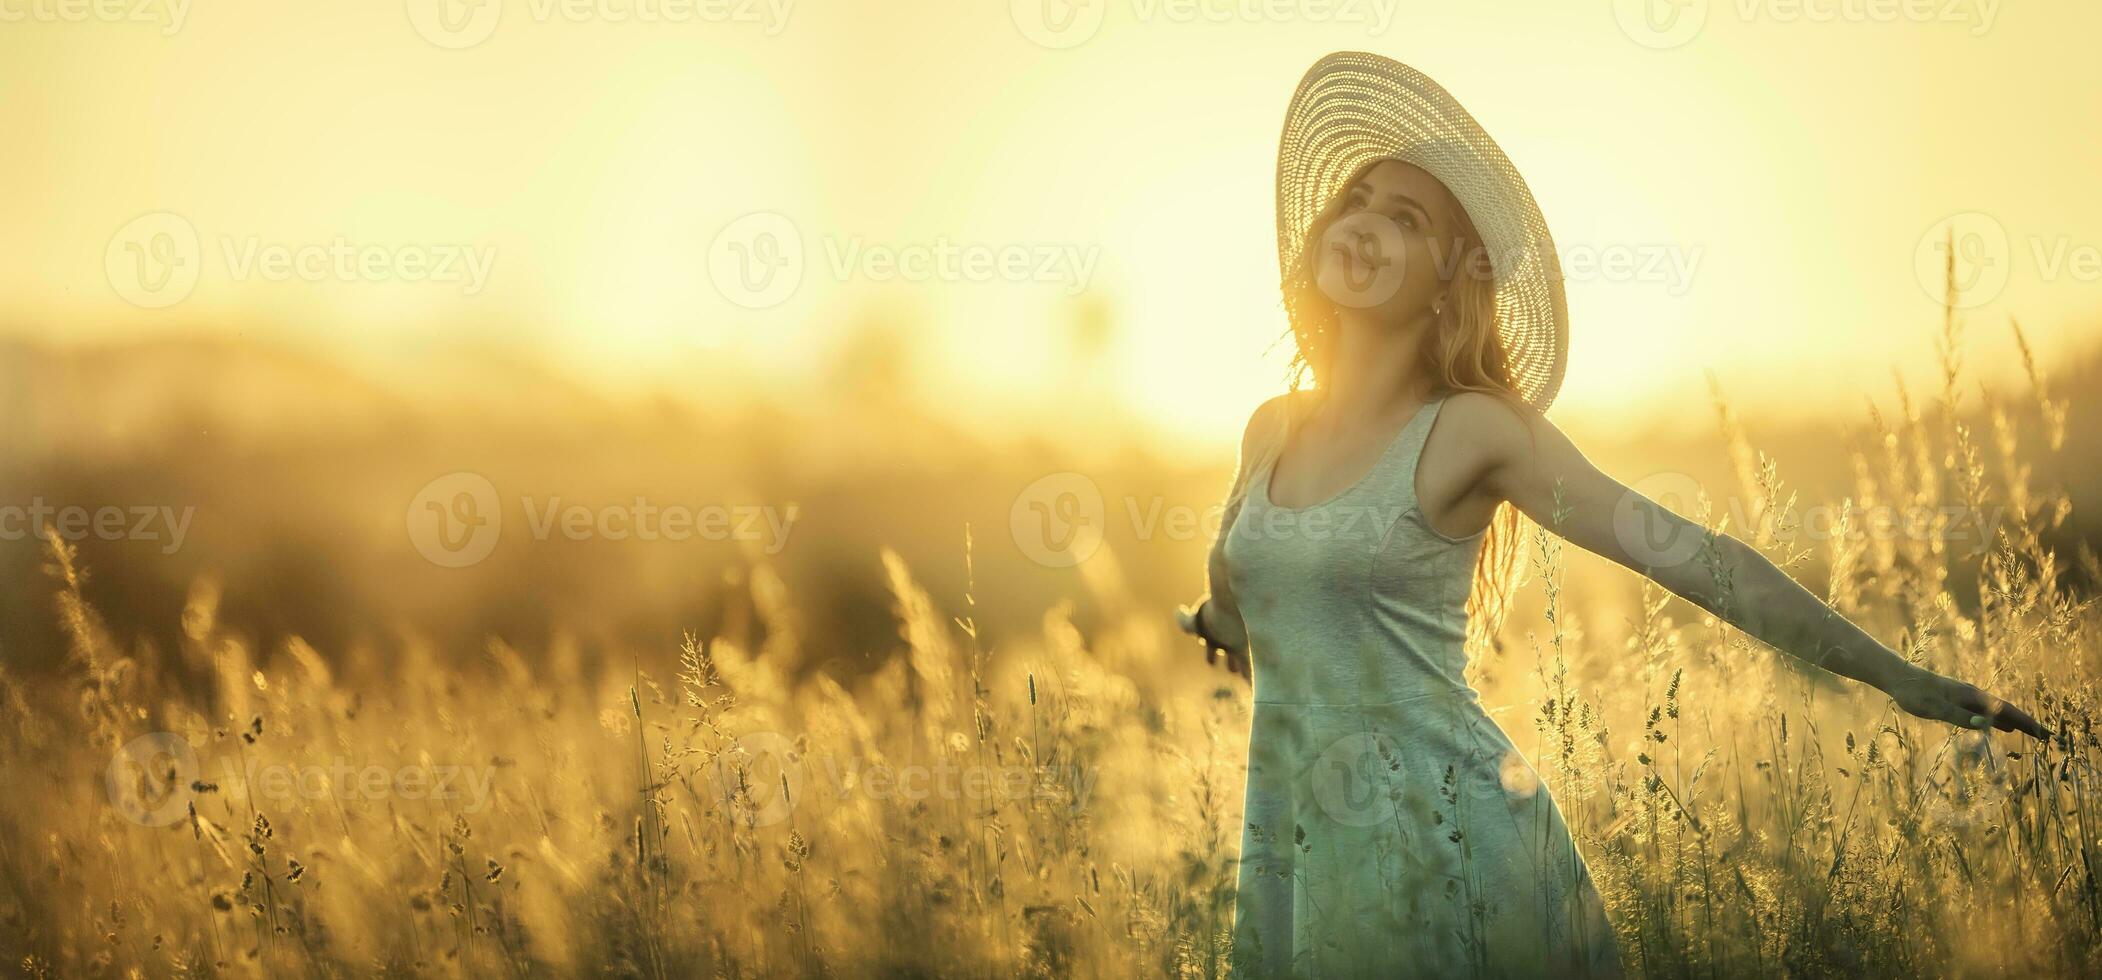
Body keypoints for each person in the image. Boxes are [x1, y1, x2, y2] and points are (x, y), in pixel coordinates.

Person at [1176, 51, 2049, 979]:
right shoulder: (1269, 429)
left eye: (1405, 218)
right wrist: (1220, 624)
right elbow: (1243, 588)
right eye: (1356, 199)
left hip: (1447, 843)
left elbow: (1692, 557)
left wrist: (1892, 674)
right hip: (1300, 851)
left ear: (1447, 278)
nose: (1362, 223)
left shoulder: (1475, 432)